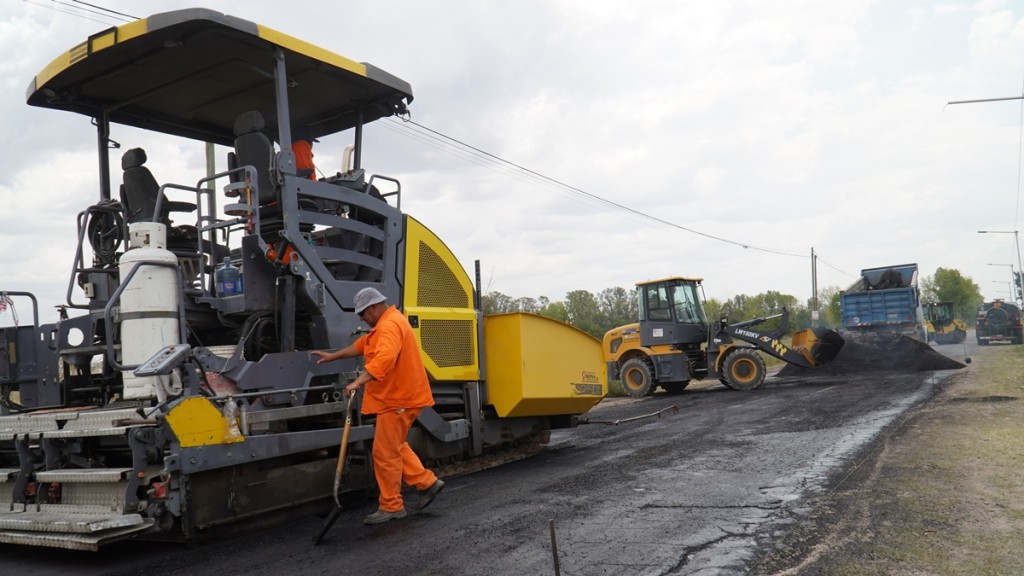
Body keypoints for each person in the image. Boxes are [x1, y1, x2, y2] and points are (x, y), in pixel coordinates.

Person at [312, 287, 445, 524]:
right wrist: (334, 356)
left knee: (384, 452)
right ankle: (427, 482)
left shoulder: (390, 326)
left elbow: (384, 358)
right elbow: (363, 345)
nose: (361, 318)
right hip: (399, 398)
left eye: (362, 313)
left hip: (398, 399)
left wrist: (358, 382)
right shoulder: (385, 324)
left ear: (373, 307)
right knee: (395, 446)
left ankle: (392, 505)